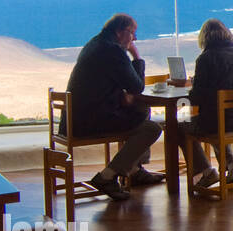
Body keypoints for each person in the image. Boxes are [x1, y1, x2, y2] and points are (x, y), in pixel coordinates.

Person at [63, 13, 163, 201]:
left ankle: (134, 169)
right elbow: (137, 86)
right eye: (132, 33)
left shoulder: (95, 44)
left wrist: (122, 95)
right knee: (152, 128)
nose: (134, 38)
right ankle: (107, 176)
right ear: (119, 31)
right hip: (90, 121)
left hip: (76, 118)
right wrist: (136, 56)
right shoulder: (113, 51)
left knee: (142, 109)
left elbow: (102, 82)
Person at [179, 19, 233, 196]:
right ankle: (232, 166)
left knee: (180, 124)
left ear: (204, 37)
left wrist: (188, 93)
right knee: (214, 116)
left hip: (219, 121)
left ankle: (206, 171)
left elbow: (197, 97)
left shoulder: (206, 58)